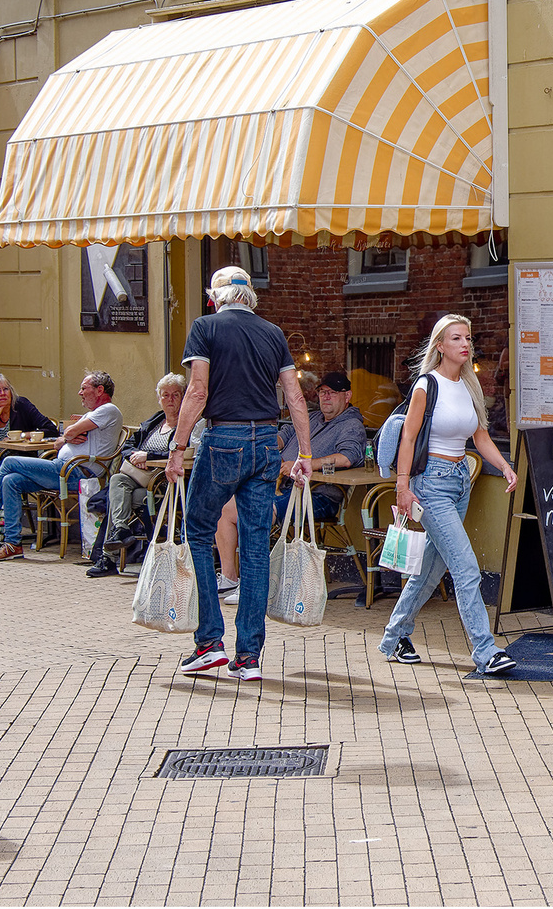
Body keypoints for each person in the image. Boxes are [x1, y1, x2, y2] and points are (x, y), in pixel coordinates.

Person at [165, 266, 312, 683]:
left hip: (224, 438)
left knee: (196, 531)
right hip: (268, 440)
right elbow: (295, 395)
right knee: (253, 545)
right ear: (251, 299)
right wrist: (303, 451)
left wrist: (178, 447)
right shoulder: (273, 333)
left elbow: (197, 391)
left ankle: (209, 643)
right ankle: (249, 657)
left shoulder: (205, 327)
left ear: (215, 298)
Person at [377, 314, 519, 674]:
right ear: (440, 345)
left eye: (468, 338)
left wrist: (504, 466)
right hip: (431, 484)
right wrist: (403, 486)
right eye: (456, 338)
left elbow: (480, 436)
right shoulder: (427, 385)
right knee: (466, 567)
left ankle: (394, 637)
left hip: (459, 480)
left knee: (430, 568)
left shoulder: (470, 386)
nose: (465, 344)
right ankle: (486, 652)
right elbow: (408, 437)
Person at [212, 370, 366, 604]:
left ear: (347, 396)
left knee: (254, 514)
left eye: (332, 393)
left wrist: (304, 464)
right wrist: (257, 441)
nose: (325, 397)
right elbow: (282, 436)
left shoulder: (351, 425)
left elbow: (347, 457)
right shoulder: (312, 418)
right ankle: (230, 577)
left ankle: (253, 586)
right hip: (281, 487)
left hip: (316, 496)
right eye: (323, 392)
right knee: (226, 508)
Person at [0, 371, 123, 562]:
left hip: (77, 473)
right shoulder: (92, 414)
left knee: (9, 462)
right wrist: (67, 437)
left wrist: (67, 437)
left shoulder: (109, 410)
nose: (79, 392)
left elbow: (67, 431)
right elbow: (64, 436)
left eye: (84, 388)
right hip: (63, 469)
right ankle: (12, 544)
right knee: (11, 480)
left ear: (99, 390)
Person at [86, 373, 202, 577]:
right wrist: (133, 456)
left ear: (184, 397)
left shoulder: (189, 425)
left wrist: (148, 456)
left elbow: (184, 452)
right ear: (159, 398)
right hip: (139, 479)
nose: (170, 400)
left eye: (175, 395)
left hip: (164, 485)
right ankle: (121, 529)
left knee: (119, 498)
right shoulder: (155, 420)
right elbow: (129, 444)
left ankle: (109, 557)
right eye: (165, 395)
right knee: (117, 481)